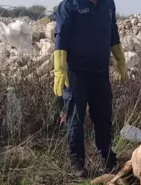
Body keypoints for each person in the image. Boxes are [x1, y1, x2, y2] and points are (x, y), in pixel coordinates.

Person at [52, 0, 128, 178]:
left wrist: (121, 61)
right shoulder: (69, 5)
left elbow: (113, 32)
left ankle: (108, 159)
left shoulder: (108, 4)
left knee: (103, 118)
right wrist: (59, 70)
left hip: (100, 73)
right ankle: (77, 162)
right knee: (75, 121)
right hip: (76, 74)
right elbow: (61, 36)